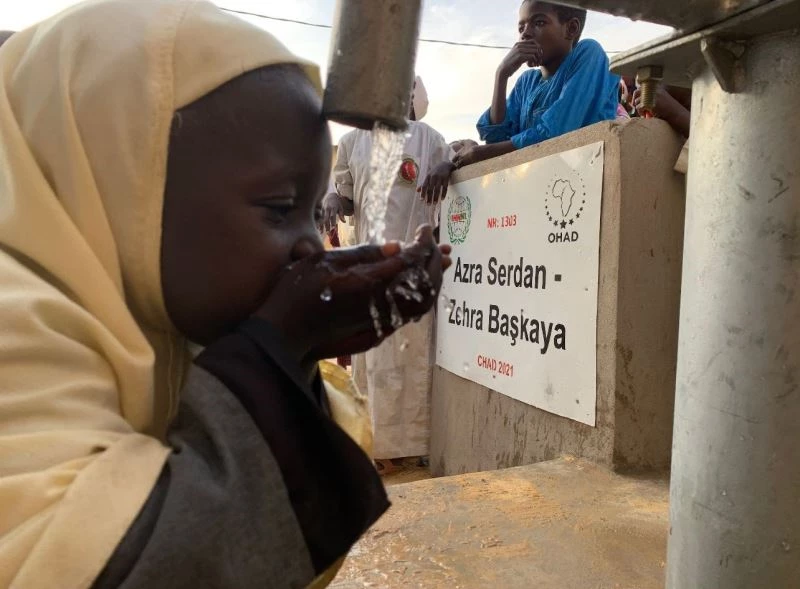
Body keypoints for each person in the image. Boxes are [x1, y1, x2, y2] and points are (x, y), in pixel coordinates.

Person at [0, 2, 451, 588]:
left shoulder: (163, 313)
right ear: (115, 185)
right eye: (277, 209)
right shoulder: (16, 332)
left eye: (312, 213)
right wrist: (277, 351)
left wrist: (299, 355)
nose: (311, 248)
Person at [322, 76, 453, 474]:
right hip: (369, 267)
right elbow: (344, 195)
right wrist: (332, 197)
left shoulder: (429, 138)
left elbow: (455, 174)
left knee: (410, 357)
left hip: (414, 264)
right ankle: (375, 446)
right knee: (373, 361)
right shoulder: (350, 142)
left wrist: (448, 165)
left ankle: (409, 449)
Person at [453, 1, 620, 168]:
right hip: (537, 185)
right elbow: (497, 141)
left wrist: (480, 153)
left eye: (539, 23)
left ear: (571, 29)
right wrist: (501, 75)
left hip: (586, 181)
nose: (525, 34)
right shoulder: (526, 82)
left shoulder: (589, 54)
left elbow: (556, 134)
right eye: (521, 28)